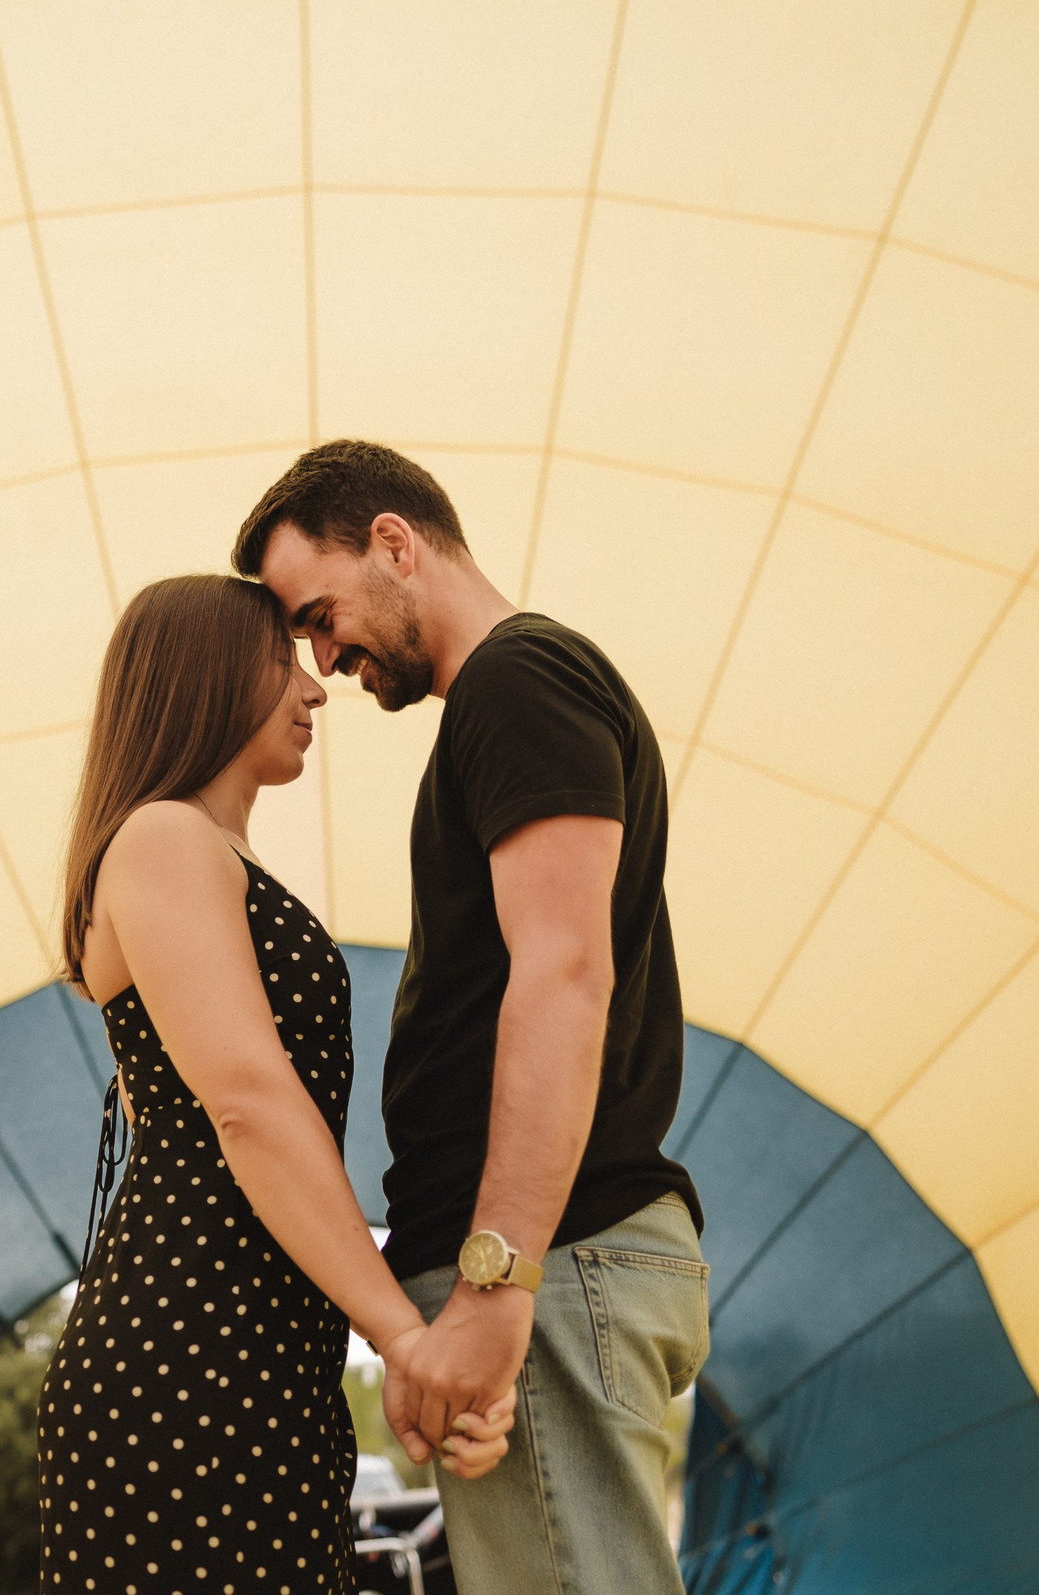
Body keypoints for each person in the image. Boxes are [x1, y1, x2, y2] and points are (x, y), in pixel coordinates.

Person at [234, 442, 709, 1594]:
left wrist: (497, 1286)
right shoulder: (499, 705)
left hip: (553, 1267)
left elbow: (563, 972)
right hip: (549, 1269)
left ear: (395, 542)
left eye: (321, 612)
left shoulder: (520, 680)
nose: (323, 653)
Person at [36, 574, 515, 1594]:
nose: (316, 688)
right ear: (207, 676)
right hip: (190, 1349)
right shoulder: (164, 837)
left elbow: (169, 1088)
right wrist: (400, 1336)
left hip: (254, 1347)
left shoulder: (197, 852)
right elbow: (247, 1102)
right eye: (282, 660)